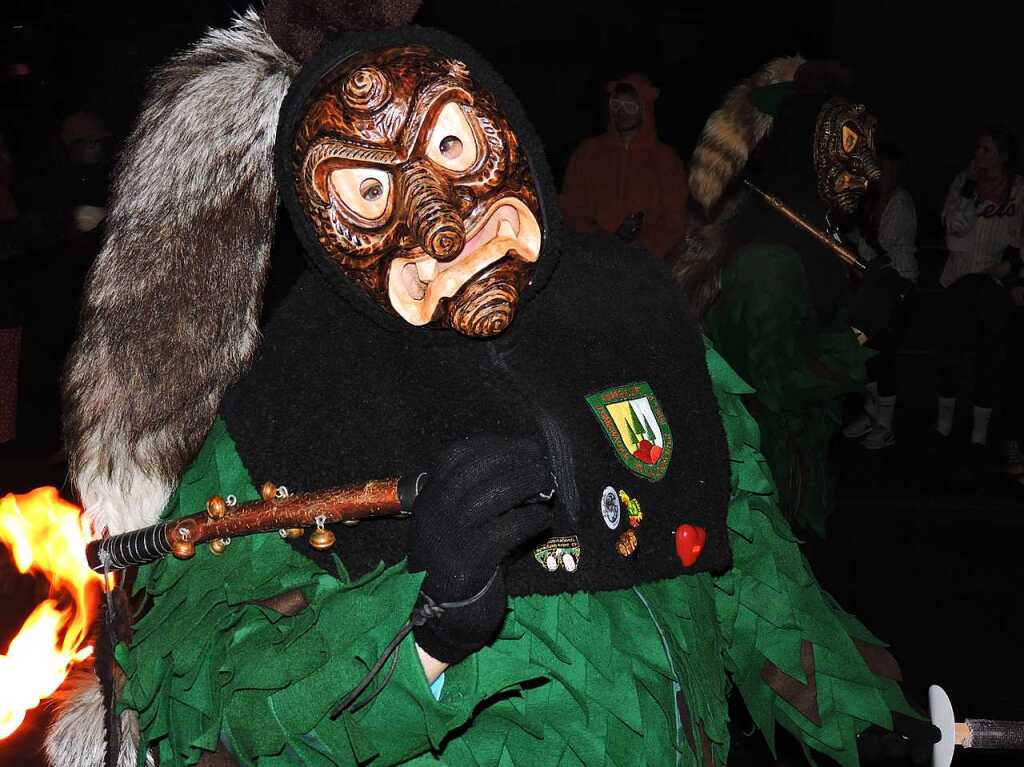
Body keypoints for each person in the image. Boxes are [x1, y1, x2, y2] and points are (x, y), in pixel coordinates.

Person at [49, 6, 936, 767]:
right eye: (367, 192)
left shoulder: (631, 306)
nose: (440, 226)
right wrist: (421, 629)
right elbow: (207, 696)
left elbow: (747, 562)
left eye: (449, 143)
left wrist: (867, 722)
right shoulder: (293, 396)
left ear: (504, 124)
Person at [675, 58, 906, 536]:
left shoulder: (814, 235)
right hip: (759, 488)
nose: (868, 174)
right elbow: (780, 385)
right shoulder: (769, 258)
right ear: (810, 152)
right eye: (848, 152)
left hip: (794, 466)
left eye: (869, 153)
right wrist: (860, 328)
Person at [935, 125, 1023, 478]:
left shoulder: (1019, 189)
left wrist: (1012, 267)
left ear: (1002, 154)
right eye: (977, 149)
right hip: (958, 282)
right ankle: (942, 432)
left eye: (985, 150)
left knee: (990, 356)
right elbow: (953, 233)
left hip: (996, 284)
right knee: (950, 355)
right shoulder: (963, 184)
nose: (978, 156)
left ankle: (980, 436)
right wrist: (970, 188)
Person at [560, 73, 689, 259]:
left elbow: (675, 220)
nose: (621, 112)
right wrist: (602, 241)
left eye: (630, 106)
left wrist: (641, 247)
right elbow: (571, 207)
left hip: (647, 265)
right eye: (616, 105)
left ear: (644, 108)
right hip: (593, 259)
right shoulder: (588, 153)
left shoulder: (665, 159)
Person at [843, 141, 918, 449]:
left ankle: (886, 425)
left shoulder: (900, 202)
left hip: (896, 286)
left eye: (881, 169)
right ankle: (872, 413)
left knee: (882, 354)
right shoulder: (869, 200)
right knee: (864, 352)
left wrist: (855, 231)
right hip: (870, 286)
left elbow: (881, 246)